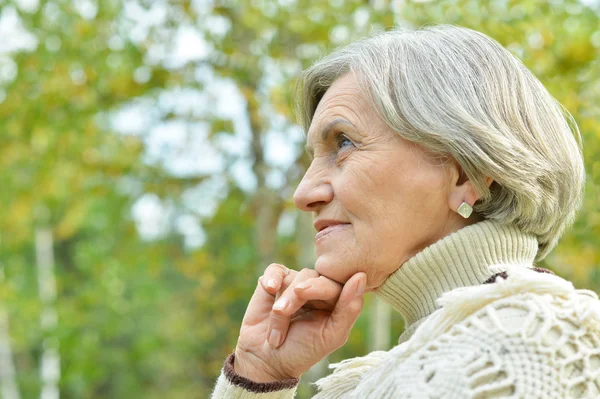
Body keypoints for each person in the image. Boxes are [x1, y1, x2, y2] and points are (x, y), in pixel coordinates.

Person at [211, 25, 600, 398]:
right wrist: (260, 374)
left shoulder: (545, 342)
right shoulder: (404, 369)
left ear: (467, 175)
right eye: (313, 157)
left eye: (344, 142)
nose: (303, 193)